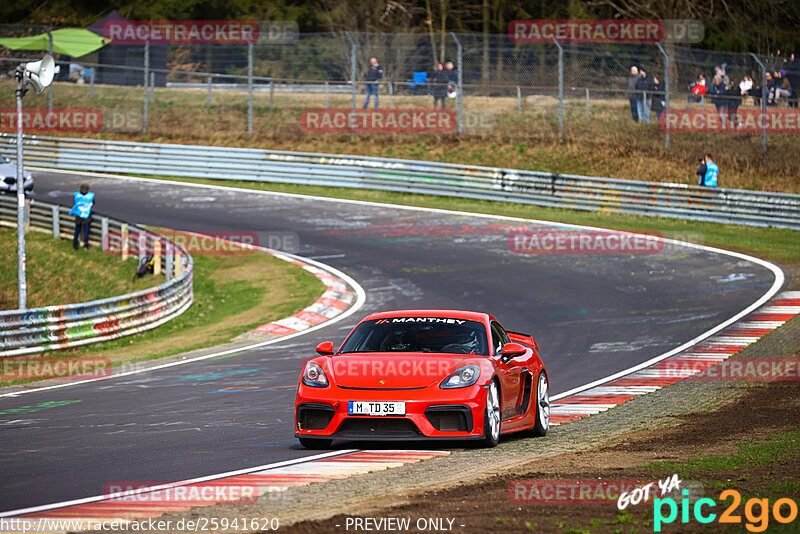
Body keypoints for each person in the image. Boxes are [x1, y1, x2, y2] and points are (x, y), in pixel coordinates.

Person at [70, 183, 95, 250]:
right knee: (86, 232)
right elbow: (93, 204)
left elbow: (75, 204)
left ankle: (75, 246)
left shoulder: (77, 196)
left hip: (78, 216)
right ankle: (85, 246)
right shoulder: (90, 197)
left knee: (77, 231)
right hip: (86, 217)